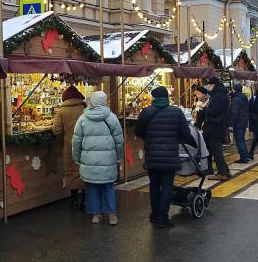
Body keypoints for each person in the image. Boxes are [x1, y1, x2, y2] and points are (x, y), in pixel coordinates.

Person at [135, 86, 194, 228]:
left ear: (154, 98)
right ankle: (162, 217)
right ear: (166, 98)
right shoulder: (176, 112)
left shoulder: (146, 112)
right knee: (167, 186)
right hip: (170, 156)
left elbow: (138, 131)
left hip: (153, 156)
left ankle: (155, 214)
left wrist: (149, 138)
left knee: (154, 185)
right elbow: (185, 133)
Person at [72, 90, 123, 226]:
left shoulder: (82, 119)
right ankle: (112, 215)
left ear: (92, 102)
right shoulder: (111, 117)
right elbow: (119, 141)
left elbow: (76, 141)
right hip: (108, 160)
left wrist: (77, 158)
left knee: (92, 187)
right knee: (108, 187)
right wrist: (119, 157)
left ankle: (95, 215)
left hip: (88, 161)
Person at [52, 85, 86, 209]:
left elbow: (56, 130)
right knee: (84, 169)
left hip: (70, 144)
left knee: (72, 170)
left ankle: (74, 200)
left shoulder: (62, 110)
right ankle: (85, 200)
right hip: (84, 143)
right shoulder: (84, 107)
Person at [203, 76, 231, 180]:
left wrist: (205, 109)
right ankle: (226, 170)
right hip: (220, 125)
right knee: (217, 149)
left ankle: (221, 172)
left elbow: (214, 112)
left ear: (213, 85)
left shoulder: (217, 96)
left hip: (215, 126)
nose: (207, 87)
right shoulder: (222, 94)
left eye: (208, 85)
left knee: (216, 150)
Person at [229, 83, 250, 163]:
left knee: (239, 140)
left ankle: (243, 158)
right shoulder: (243, 97)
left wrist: (231, 124)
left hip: (238, 123)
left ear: (234, 89)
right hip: (243, 121)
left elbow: (234, 112)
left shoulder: (236, 99)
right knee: (242, 140)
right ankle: (246, 156)